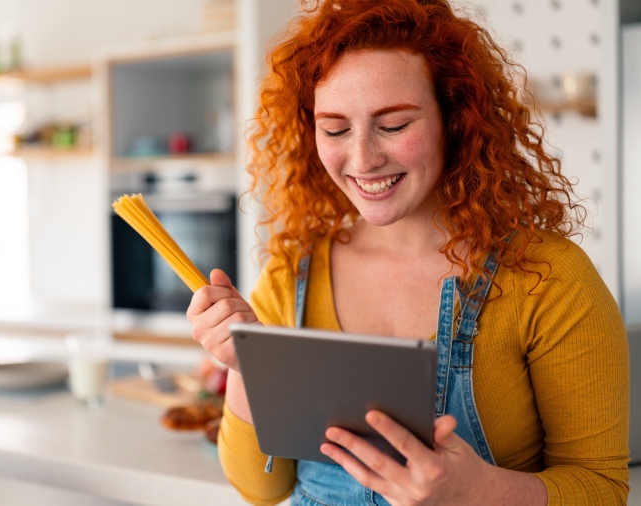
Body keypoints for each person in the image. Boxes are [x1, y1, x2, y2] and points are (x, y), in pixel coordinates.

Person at [186, 1, 629, 505]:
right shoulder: (293, 274)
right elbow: (260, 487)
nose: (362, 159)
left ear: (456, 118)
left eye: (393, 125)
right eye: (334, 129)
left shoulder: (549, 277)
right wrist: (248, 365)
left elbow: (603, 488)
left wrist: (480, 492)